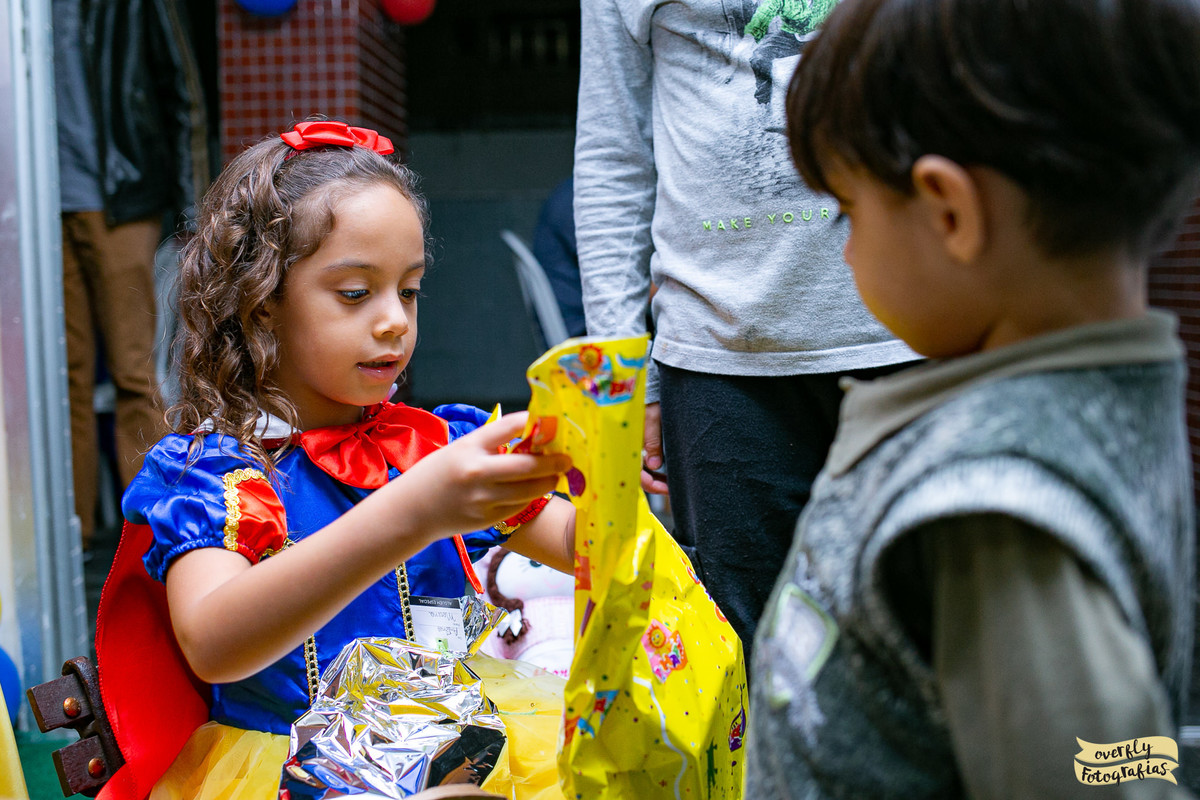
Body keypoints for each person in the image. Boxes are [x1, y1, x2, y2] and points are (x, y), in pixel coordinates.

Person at [746, 0, 1200, 797]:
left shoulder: (997, 513)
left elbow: (1102, 774)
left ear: (950, 212)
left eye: (849, 211)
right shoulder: (1101, 412)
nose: (847, 248)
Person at [93, 121, 577, 798]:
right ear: (262, 308)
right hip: (289, 776)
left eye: (408, 290)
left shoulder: (428, 446)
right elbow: (214, 643)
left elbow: (583, 546)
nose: (395, 322)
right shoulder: (215, 477)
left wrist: (600, 471)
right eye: (356, 293)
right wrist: (413, 512)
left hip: (455, 757)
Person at [574, 0, 919, 655]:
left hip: (914, 336)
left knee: (921, 646)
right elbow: (613, 155)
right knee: (752, 664)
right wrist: (626, 384)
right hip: (717, 360)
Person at [54, 0, 210, 550]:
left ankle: (152, 532)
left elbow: (183, 89)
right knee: (56, 378)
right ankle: (72, 538)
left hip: (120, 196)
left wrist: (194, 211)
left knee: (132, 369)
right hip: (37, 205)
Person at [531, 177, 586, 339]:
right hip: (583, 332)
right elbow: (623, 283)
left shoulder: (572, 191)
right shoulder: (577, 199)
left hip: (582, 320)